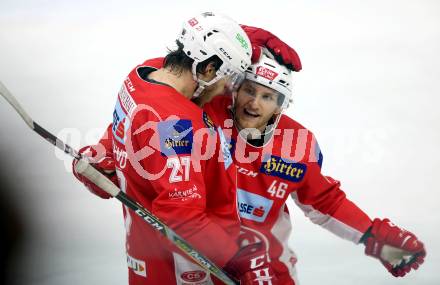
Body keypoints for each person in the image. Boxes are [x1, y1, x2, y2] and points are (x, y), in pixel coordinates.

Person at [75, 30, 426, 284]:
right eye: (249, 90)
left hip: (263, 271)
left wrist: (373, 237)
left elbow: (325, 200)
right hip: (175, 264)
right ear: (233, 86)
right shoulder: (204, 108)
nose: (254, 103)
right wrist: (106, 155)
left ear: (282, 104)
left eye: (269, 96)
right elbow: (151, 111)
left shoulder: (297, 143)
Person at [72, 12, 301, 285]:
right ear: (207, 70)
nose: (226, 92)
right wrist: (240, 262)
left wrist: (102, 155)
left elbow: (130, 129)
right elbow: (182, 218)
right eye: (225, 80)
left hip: (147, 262)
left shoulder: (145, 73)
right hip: (188, 272)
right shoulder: (177, 127)